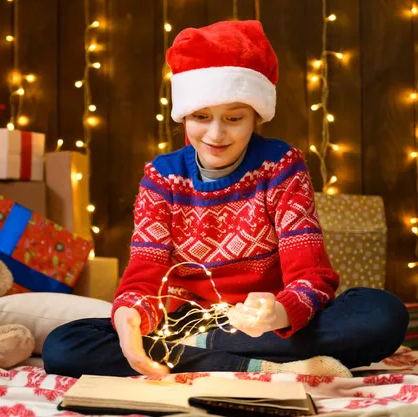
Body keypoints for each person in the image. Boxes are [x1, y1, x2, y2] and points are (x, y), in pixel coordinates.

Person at [42, 20, 408, 379]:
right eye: (201, 117)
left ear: (255, 117)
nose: (216, 134)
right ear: (184, 114)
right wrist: (130, 317)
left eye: (234, 118)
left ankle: (204, 354)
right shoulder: (161, 178)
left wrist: (279, 312)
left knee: (383, 314)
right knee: (63, 345)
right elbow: (142, 282)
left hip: (265, 322)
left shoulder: (282, 167)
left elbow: (312, 277)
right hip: (184, 321)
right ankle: (246, 363)